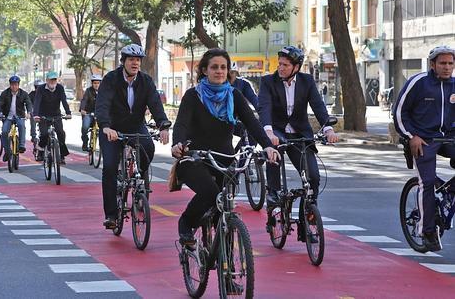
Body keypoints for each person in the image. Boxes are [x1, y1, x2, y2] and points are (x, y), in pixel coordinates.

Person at [171, 48, 279, 244]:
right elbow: (181, 124)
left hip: (225, 159)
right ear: (204, 70)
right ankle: (187, 222)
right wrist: (177, 143)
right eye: (214, 67)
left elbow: (252, 123)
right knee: (211, 193)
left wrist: (267, 145)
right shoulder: (192, 96)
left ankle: (223, 253)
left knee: (225, 202)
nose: (219, 71)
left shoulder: (234, 95)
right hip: (195, 158)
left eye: (223, 67)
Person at [95, 43, 171, 229]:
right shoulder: (111, 79)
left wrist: (163, 125)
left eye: (138, 60)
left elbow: (155, 104)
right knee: (110, 168)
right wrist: (105, 126)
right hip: (112, 130)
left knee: (148, 148)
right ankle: (112, 215)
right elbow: (102, 104)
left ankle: (138, 179)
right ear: (123, 62)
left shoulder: (146, 81)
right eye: (131, 60)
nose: (135, 63)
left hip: (136, 126)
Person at [257, 46, 339, 210]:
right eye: (279, 64)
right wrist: (268, 131)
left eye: (285, 65)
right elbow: (264, 108)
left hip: (300, 134)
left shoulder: (306, 81)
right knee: (274, 147)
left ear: (296, 67)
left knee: (313, 178)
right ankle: (273, 192)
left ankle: (308, 218)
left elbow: (318, 106)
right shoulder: (268, 82)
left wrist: (328, 129)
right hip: (276, 131)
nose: (280, 67)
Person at [393, 45, 455, 252]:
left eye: (451, 63)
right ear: (432, 65)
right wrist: (412, 136)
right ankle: (426, 230)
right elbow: (400, 113)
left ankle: (448, 193)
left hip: (448, 137)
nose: (447, 68)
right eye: (443, 63)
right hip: (423, 139)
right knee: (427, 182)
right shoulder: (419, 83)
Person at [33, 72, 72, 164]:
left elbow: (64, 100)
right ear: (46, 80)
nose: (53, 81)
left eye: (54, 79)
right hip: (43, 115)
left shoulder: (60, 88)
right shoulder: (41, 89)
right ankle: (40, 149)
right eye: (51, 80)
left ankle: (61, 156)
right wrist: (36, 115)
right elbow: (37, 102)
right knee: (44, 134)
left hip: (56, 115)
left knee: (60, 133)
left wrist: (68, 113)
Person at [0, 75, 33, 161]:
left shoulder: (23, 93)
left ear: (18, 85)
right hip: (8, 117)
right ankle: (7, 151)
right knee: (4, 131)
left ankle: (21, 145)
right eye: (12, 84)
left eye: (16, 84)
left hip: (19, 116)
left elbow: (28, 103)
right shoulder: (5, 93)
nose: (14, 86)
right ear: (10, 85)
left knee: (21, 126)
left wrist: (28, 112)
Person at [80, 74, 101, 151]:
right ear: (92, 83)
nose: (96, 85)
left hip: (99, 114)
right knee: (85, 127)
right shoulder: (88, 91)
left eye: (98, 83)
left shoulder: (103, 91)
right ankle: (85, 143)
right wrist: (82, 109)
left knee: (105, 129)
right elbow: (84, 100)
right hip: (88, 113)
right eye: (95, 83)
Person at [29, 79, 44, 145]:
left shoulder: (46, 94)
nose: (38, 89)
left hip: (44, 112)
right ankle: (33, 136)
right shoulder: (31, 94)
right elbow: (28, 103)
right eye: (37, 87)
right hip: (35, 112)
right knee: (32, 119)